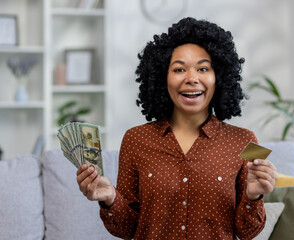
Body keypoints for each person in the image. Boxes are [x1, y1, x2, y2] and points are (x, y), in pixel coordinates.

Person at [76, 17, 278, 240]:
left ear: (219, 77)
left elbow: (248, 233)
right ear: (163, 78)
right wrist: (110, 198)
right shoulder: (135, 139)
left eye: (203, 68)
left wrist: (254, 196)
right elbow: (126, 229)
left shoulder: (244, 141)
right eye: (179, 69)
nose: (192, 79)